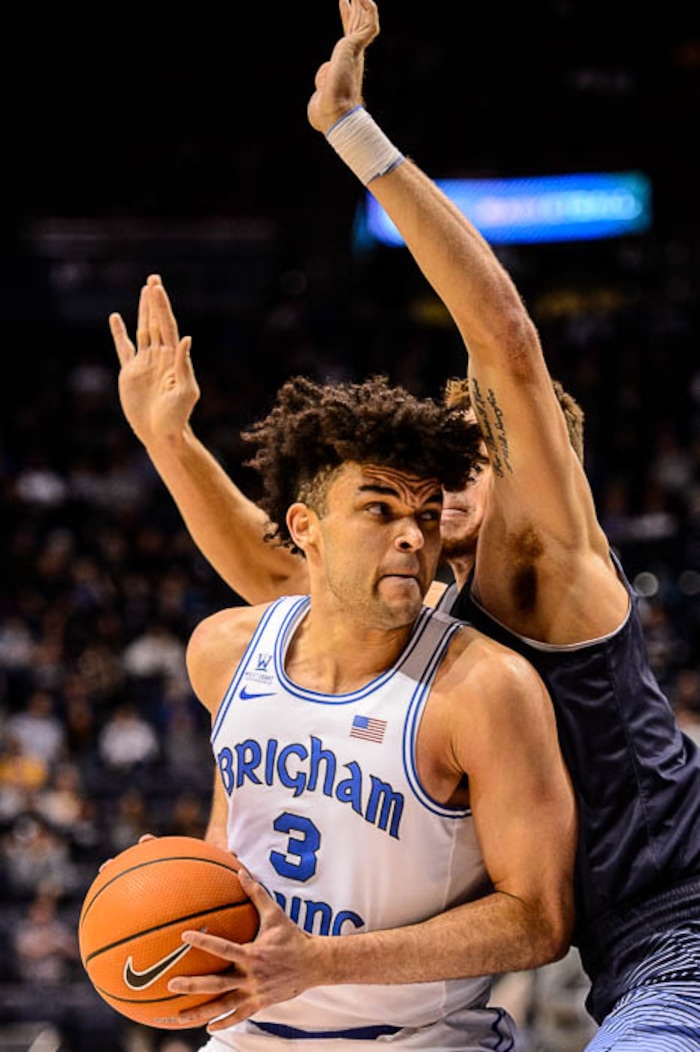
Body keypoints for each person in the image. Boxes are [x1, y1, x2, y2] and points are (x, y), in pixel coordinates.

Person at [108, 0, 700, 1047]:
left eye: (483, 459)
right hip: (609, 953)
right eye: (428, 480)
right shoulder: (417, 597)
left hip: (677, 926)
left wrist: (355, 136)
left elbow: (507, 342)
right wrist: (169, 439)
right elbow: (274, 562)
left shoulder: (547, 572)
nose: (450, 489)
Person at [159, 373, 577, 1049]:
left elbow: (539, 919)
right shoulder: (224, 650)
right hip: (246, 1034)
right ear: (305, 527)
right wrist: (175, 893)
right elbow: (228, 838)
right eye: (380, 511)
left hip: (421, 1041)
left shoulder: (487, 688)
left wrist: (320, 963)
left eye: (427, 516)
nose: (413, 536)